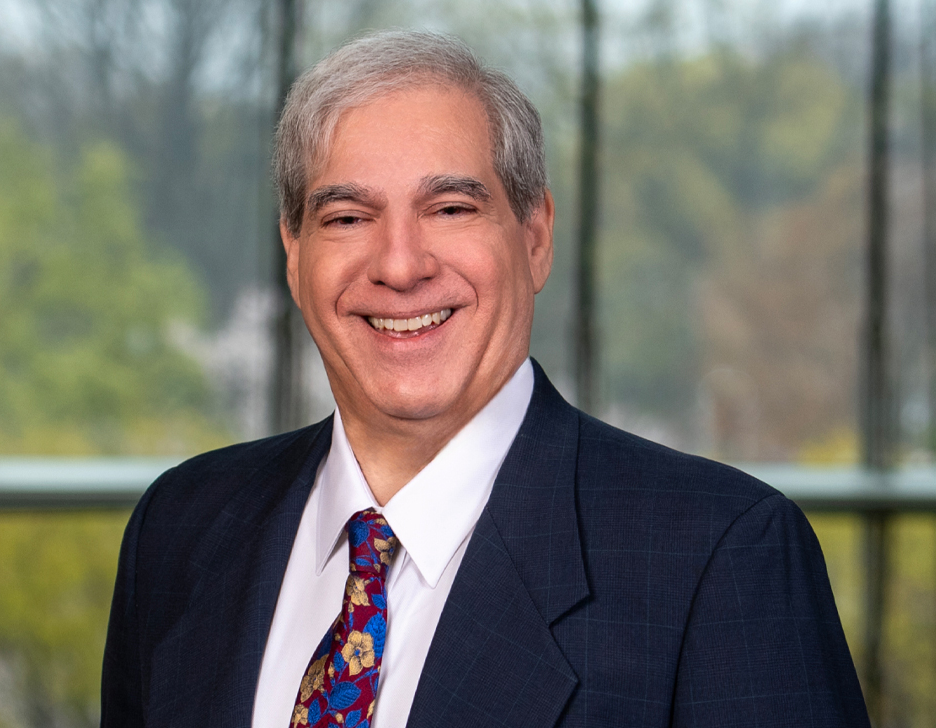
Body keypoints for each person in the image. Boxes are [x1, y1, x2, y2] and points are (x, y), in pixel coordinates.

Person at [101, 30, 869, 728]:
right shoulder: (181, 529)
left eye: (450, 208)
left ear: (535, 238)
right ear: (294, 255)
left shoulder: (720, 559)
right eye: (347, 218)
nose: (400, 265)